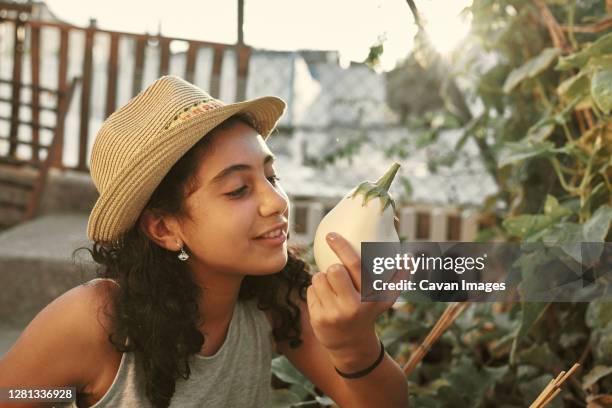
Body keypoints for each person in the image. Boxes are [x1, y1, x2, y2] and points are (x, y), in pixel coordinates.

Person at [0, 76, 409, 407]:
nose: (276, 201)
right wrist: (65, 395)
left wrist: (354, 346)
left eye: (271, 176)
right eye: (237, 190)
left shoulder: (275, 301)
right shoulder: (95, 321)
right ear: (162, 228)